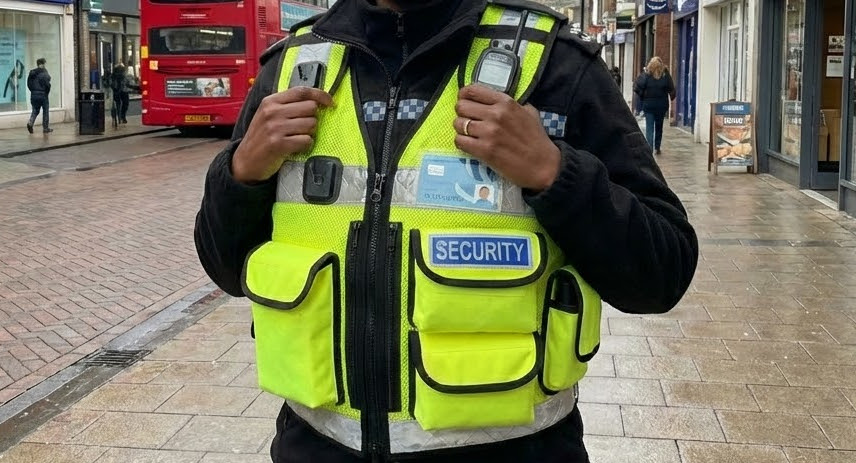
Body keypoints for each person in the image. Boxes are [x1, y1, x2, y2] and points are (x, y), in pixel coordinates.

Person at [194, 0, 698, 462]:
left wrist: (553, 172)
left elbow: (662, 272)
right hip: (314, 448)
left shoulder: (557, 67)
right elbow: (224, 265)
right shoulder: (290, 68)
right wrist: (242, 171)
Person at [634, 56, 675, 155]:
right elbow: (671, 88)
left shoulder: (646, 75)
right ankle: (657, 147)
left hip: (649, 105)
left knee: (649, 127)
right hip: (661, 105)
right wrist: (672, 97)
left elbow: (637, 87)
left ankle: (650, 149)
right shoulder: (665, 75)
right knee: (659, 126)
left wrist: (642, 97)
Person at [26, 58, 52, 134]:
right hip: (43, 95)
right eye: (44, 63)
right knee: (45, 111)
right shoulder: (44, 72)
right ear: (42, 64)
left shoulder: (32, 73)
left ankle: (30, 123)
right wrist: (46, 92)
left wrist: (33, 91)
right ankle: (45, 128)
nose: (45, 65)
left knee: (35, 110)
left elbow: (29, 84)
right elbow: (47, 85)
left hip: (34, 95)